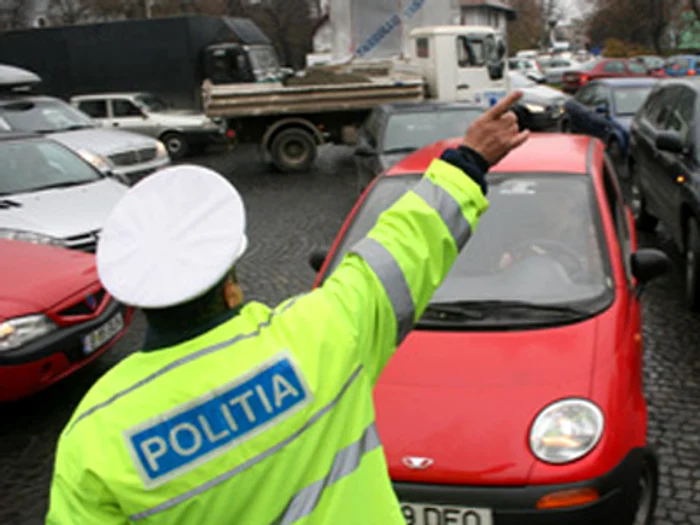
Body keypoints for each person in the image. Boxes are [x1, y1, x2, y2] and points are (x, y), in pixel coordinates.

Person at [46, 92, 529, 525]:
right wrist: (468, 159)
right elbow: (403, 247)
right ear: (229, 282)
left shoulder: (94, 438)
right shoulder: (319, 335)